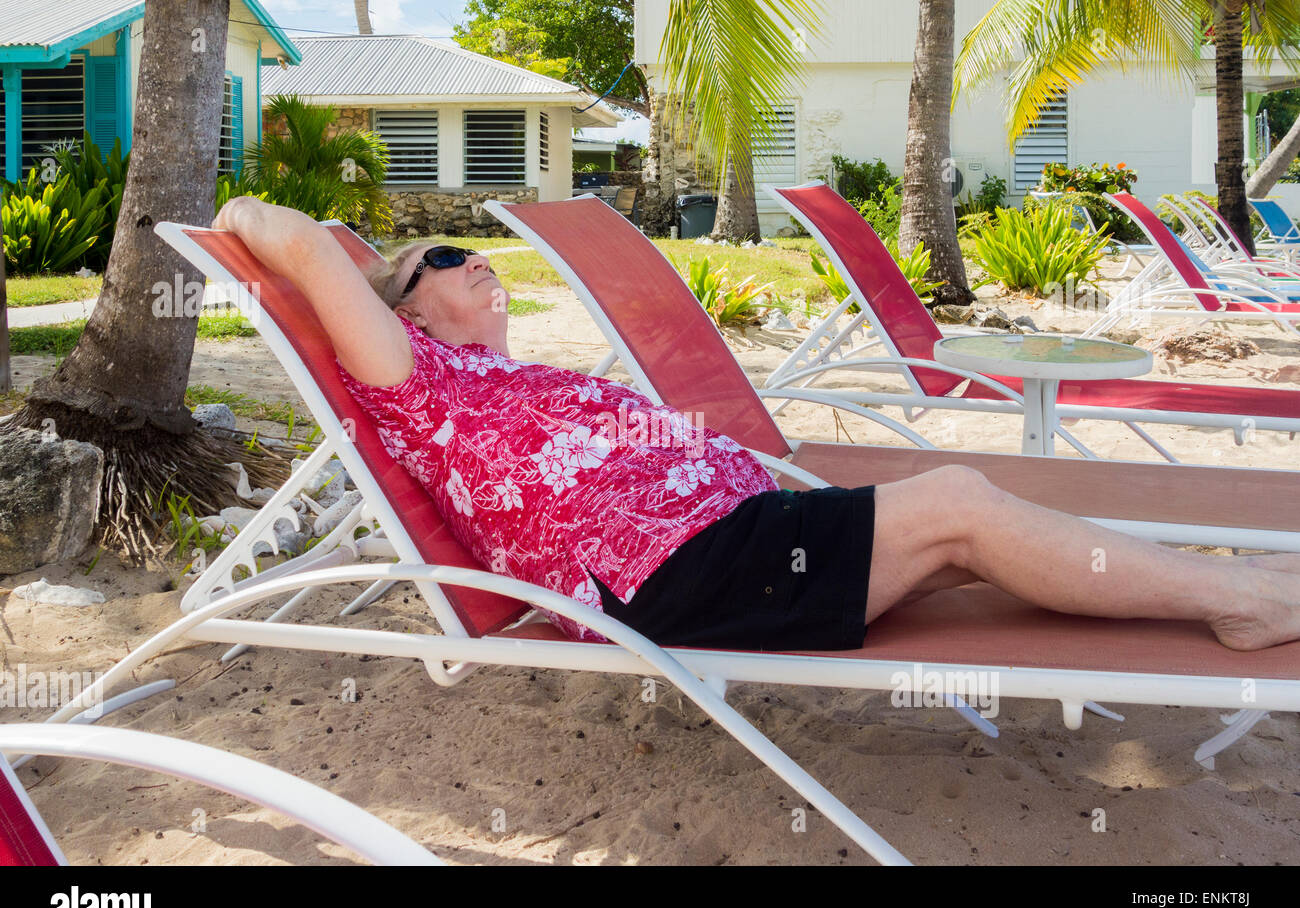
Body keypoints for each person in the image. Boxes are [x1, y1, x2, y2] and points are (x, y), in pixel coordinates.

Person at [212, 197, 1300, 653]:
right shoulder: (420, 384)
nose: (472, 260)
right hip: (676, 572)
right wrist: (236, 221)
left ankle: (1203, 587)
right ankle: (1246, 600)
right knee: (960, 503)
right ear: (399, 306)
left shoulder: (505, 379)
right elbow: (304, 248)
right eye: (442, 260)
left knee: (968, 545)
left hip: (741, 530)